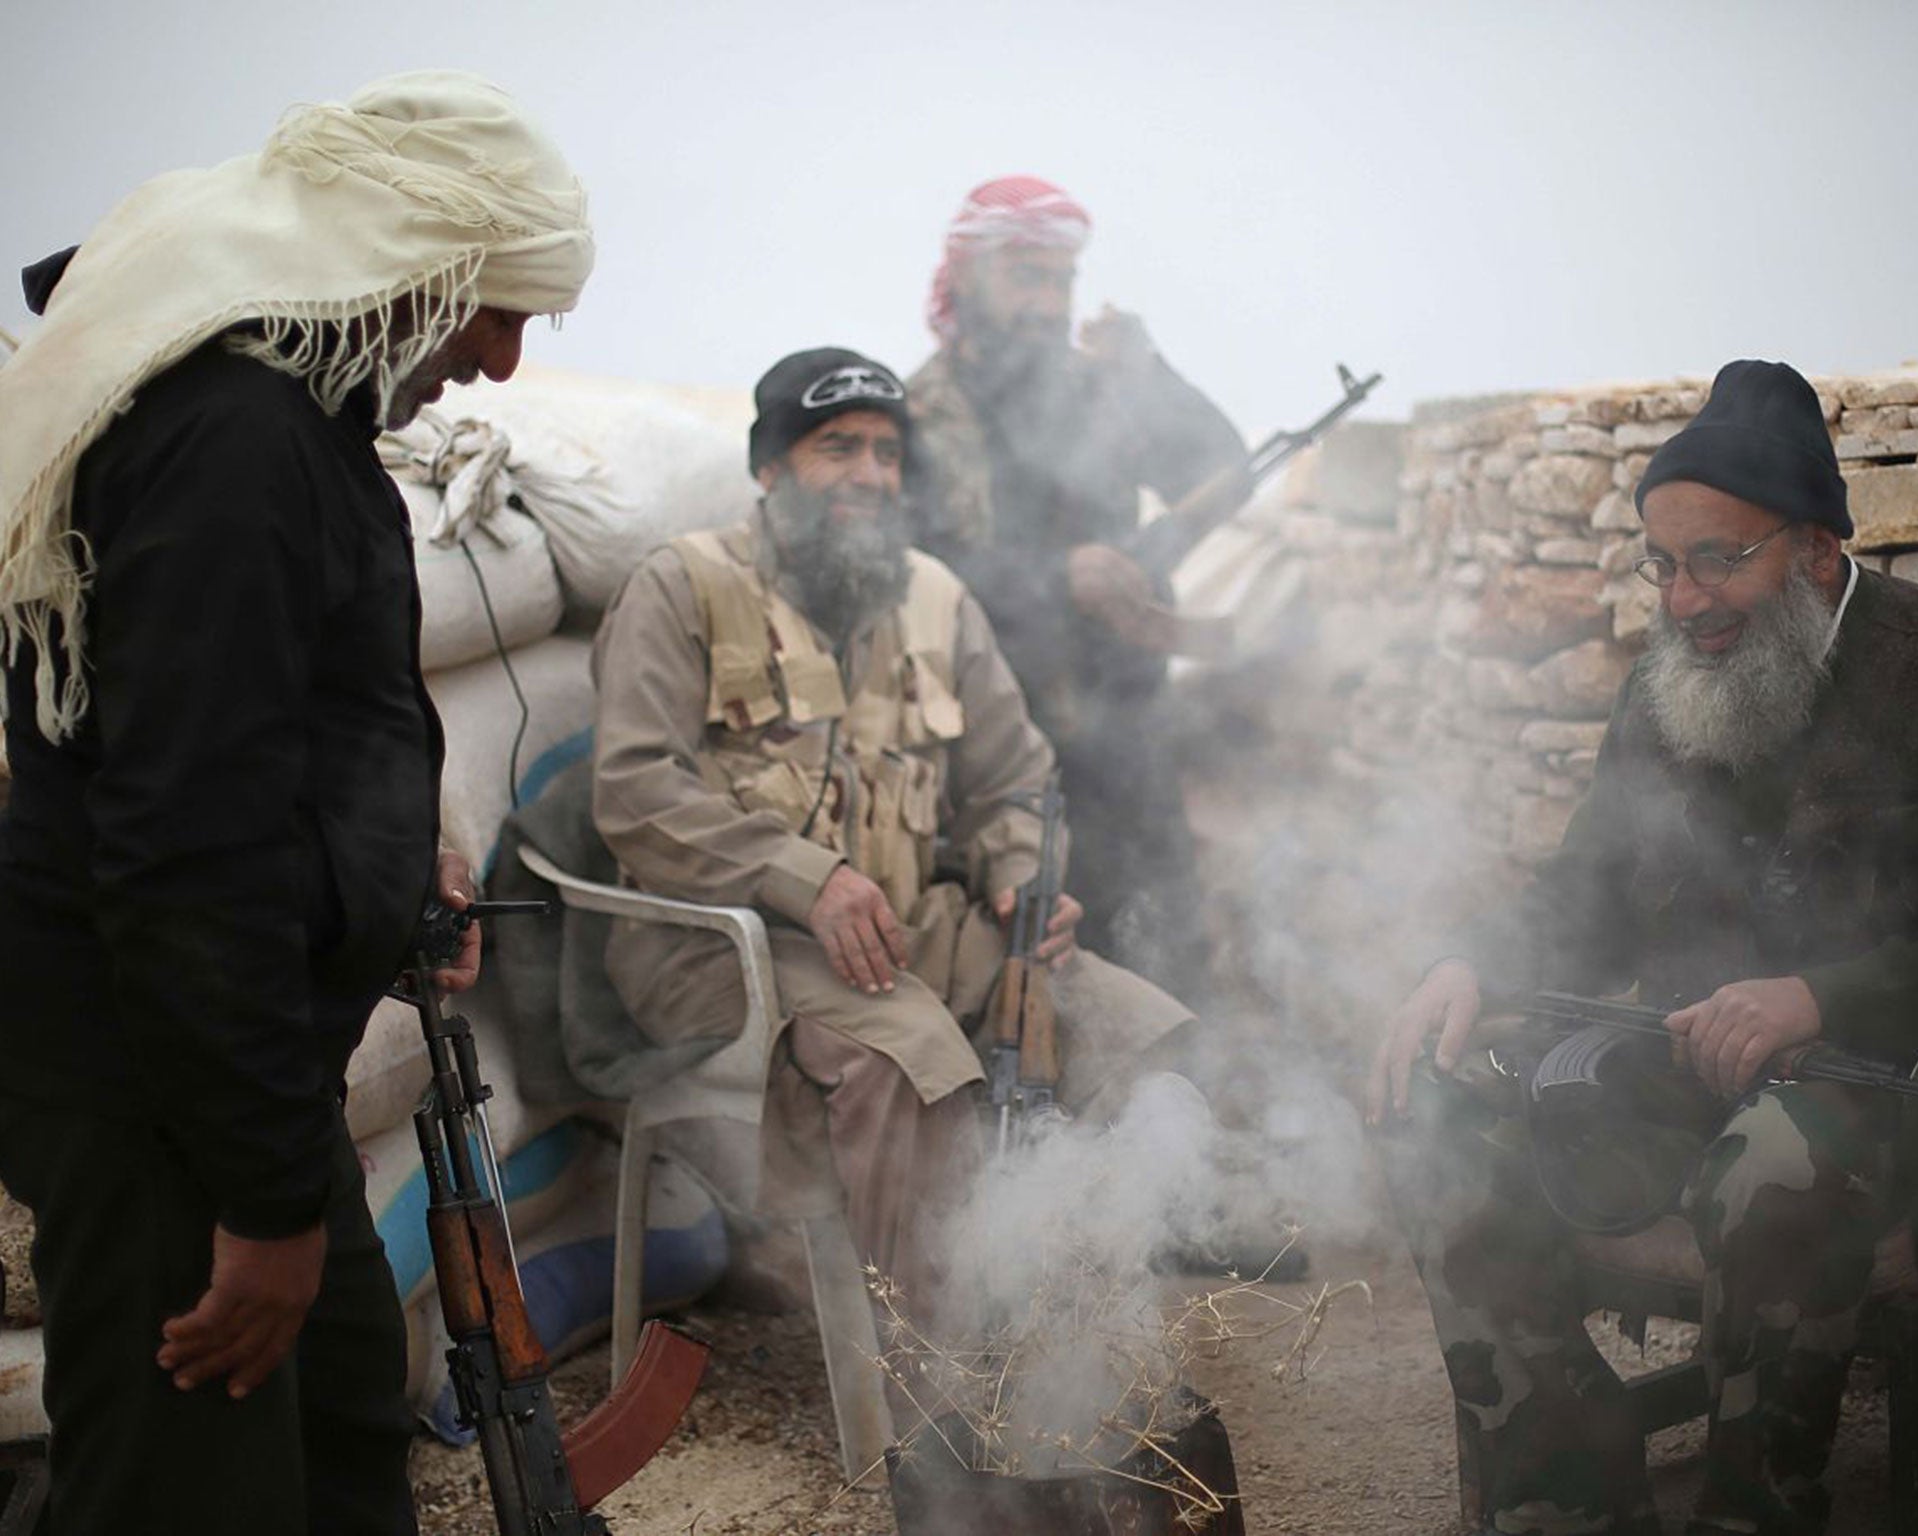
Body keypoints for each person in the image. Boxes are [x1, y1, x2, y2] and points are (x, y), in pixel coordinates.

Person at [0, 73, 592, 1536]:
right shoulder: (233, 446)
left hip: (224, 1071)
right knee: (187, 1490)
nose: (503, 363)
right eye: (491, 307)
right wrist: (261, 1211)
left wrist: (395, 872)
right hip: (161, 1080)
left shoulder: (290, 430)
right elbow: (184, 854)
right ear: (401, 272)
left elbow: (284, 746)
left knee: (333, 1437)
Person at [1364, 359, 1918, 1536]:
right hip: (1685, 1059)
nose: (1684, 600)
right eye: (1663, 565)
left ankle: (1750, 1513)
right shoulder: (1661, 689)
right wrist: (1465, 959)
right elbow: (1582, 894)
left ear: (1818, 552)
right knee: (1438, 1127)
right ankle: (1565, 1495)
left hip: (1893, 1078)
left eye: (1719, 559)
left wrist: (1820, 998)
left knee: (1770, 1164)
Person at [590, 346, 1192, 1326]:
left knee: (1126, 1031)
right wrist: (802, 879)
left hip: (908, 931)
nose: (870, 476)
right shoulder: (681, 587)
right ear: (770, 465)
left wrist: (1018, 881)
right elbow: (633, 790)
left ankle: (1091, 1358)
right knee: (907, 1056)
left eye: (886, 453)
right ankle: (935, 1403)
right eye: (838, 449)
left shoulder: (936, 598)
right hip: (718, 946)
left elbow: (1014, 781)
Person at [906, 176, 1246, 1000]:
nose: (1048, 303)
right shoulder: (919, 413)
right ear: (970, 275)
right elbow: (910, 565)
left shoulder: (1105, 394)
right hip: (990, 745)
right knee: (1018, 975)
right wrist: (1059, 578)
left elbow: (1223, 479)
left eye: (1062, 281)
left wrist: (1152, 372)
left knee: (1160, 957)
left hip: (1122, 732)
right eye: (1027, 275)